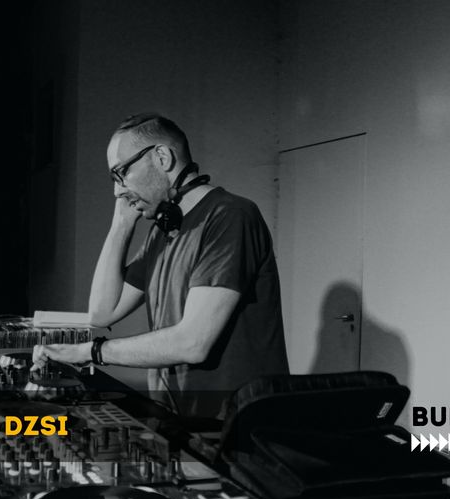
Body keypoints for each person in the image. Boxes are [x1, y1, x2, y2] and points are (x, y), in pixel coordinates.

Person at [33, 113, 288, 417]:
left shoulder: (231, 216)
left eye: (121, 173)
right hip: (182, 419)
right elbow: (102, 313)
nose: (117, 191)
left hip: (236, 426)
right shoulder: (163, 231)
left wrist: (92, 351)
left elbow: (193, 343)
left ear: (162, 157)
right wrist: (121, 226)